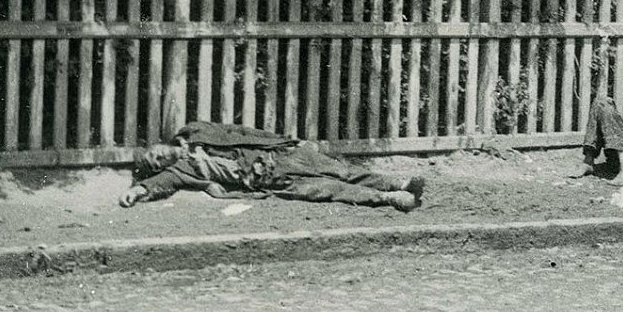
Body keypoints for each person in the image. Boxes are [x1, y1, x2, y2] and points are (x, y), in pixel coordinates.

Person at [120, 121, 426, 211]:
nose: (160, 158)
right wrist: (138, 190)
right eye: (155, 163)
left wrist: (285, 141)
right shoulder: (182, 170)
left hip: (280, 153)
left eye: (155, 152)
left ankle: (397, 183)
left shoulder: (195, 130)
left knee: (341, 170)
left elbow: (240, 131)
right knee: (329, 189)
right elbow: (159, 184)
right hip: (269, 179)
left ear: (159, 144)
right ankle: (389, 199)